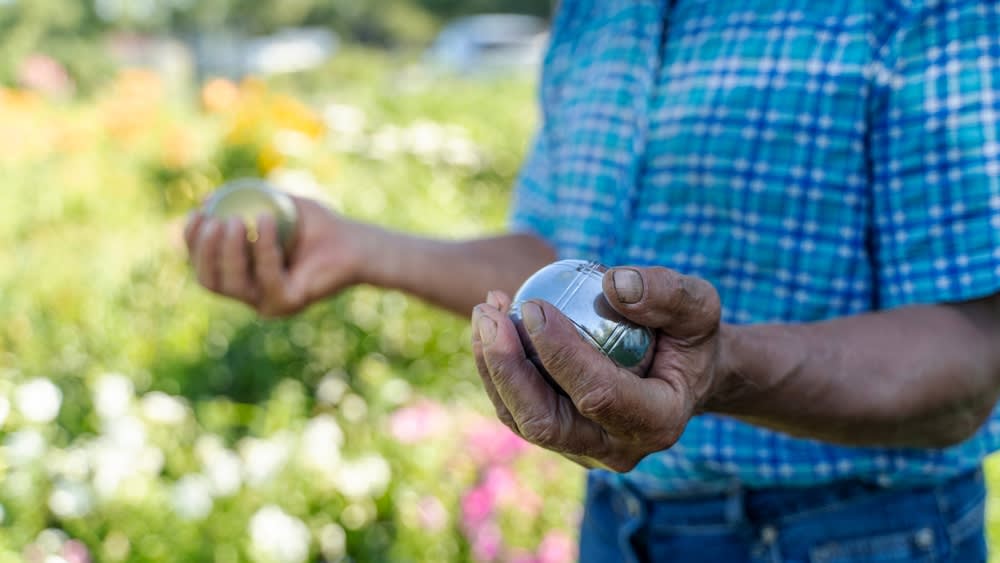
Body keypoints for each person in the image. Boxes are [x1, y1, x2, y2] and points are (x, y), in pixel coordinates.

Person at [186, 0, 1000, 560]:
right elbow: (558, 276)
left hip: (860, 534)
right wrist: (358, 247)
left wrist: (719, 369)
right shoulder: (597, 13)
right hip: (617, 526)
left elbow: (973, 353)